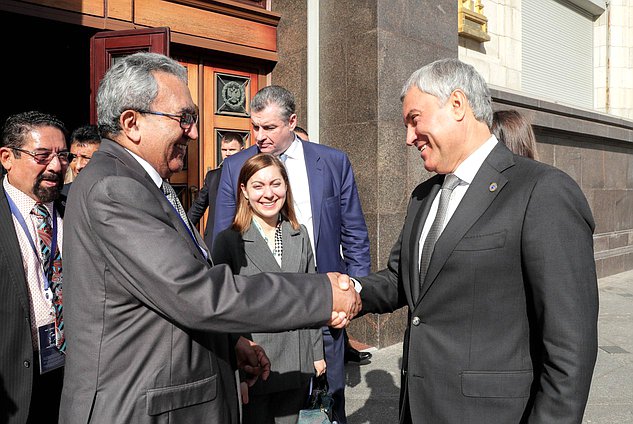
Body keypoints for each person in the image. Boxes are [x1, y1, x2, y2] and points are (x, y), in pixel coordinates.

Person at [59, 52, 361, 424]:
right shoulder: (114, 188)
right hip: (139, 406)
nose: (195, 132)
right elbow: (196, 292)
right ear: (131, 122)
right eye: (183, 118)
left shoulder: (140, 182)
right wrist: (323, 292)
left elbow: (164, 295)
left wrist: (230, 344)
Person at [355, 58, 598, 423]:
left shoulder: (542, 190)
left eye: (414, 119)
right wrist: (345, 290)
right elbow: (400, 280)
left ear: (457, 104)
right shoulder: (424, 196)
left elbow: (570, 347)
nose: (408, 138)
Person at [214, 85, 371, 424]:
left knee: (327, 404)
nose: (260, 135)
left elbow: (355, 234)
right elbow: (222, 252)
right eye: (254, 127)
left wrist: (353, 293)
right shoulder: (236, 167)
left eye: (268, 127)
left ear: (292, 122)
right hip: (259, 325)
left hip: (327, 309)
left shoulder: (332, 162)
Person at [213, 153, 326, 423]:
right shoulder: (229, 241)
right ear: (244, 191)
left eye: (275, 184)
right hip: (255, 368)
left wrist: (317, 353)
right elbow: (220, 309)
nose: (268, 194)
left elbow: (313, 297)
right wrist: (236, 372)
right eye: (258, 185)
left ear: (286, 187)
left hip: (297, 364)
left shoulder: (299, 234)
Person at [0, 111, 72, 424]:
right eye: (42, 156)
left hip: (74, 377)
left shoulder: (79, 210)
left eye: (63, 156)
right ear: (7, 157)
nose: (55, 167)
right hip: (12, 383)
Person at [188, 131, 244, 248]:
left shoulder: (250, 176)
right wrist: (183, 227)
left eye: (232, 150)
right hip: (215, 240)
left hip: (242, 238)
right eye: (224, 150)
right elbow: (198, 206)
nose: (227, 154)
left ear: (242, 150)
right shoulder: (212, 176)